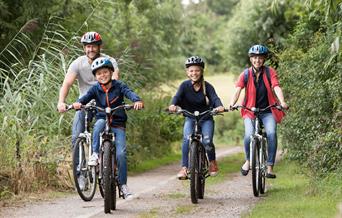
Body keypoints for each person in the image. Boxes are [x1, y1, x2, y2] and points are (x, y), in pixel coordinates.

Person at [72, 57, 144, 198]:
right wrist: (78, 103)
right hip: (102, 119)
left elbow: (129, 92)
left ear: (111, 72)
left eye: (105, 72)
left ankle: (123, 185)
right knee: (98, 125)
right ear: (95, 76)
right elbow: (85, 98)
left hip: (118, 123)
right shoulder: (95, 89)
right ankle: (95, 154)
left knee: (121, 153)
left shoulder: (119, 86)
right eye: (99, 74)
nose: (102, 75)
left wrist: (137, 100)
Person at [229, 44, 288, 179]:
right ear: (251, 59)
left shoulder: (270, 72)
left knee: (272, 133)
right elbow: (238, 90)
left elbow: (276, 87)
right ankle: (249, 160)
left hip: (268, 110)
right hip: (250, 110)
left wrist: (282, 102)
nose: (257, 60)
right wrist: (232, 103)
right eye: (254, 58)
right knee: (249, 134)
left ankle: (269, 167)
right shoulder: (245, 74)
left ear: (264, 59)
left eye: (260, 58)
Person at [57, 31, 120, 147]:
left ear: (99, 47)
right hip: (84, 103)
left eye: (94, 46)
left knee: (110, 134)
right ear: (84, 48)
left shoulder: (109, 61)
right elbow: (66, 83)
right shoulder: (78, 63)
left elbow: (115, 80)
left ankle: (110, 159)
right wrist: (61, 102)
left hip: (105, 103)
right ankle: (78, 164)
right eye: (88, 46)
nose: (91, 49)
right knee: (76, 136)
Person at [169, 56, 225, 179]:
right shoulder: (184, 86)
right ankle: (184, 168)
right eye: (191, 71)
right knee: (186, 139)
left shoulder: (207, 86)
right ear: (187, 72)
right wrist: (173, 105)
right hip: (190, 117)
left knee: (207, 141)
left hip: (206, 118)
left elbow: (215, 98)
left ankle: (212, 162)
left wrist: (219, 106)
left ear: (202, 71)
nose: (194, 73)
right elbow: (177, 97)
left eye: (197, 70)